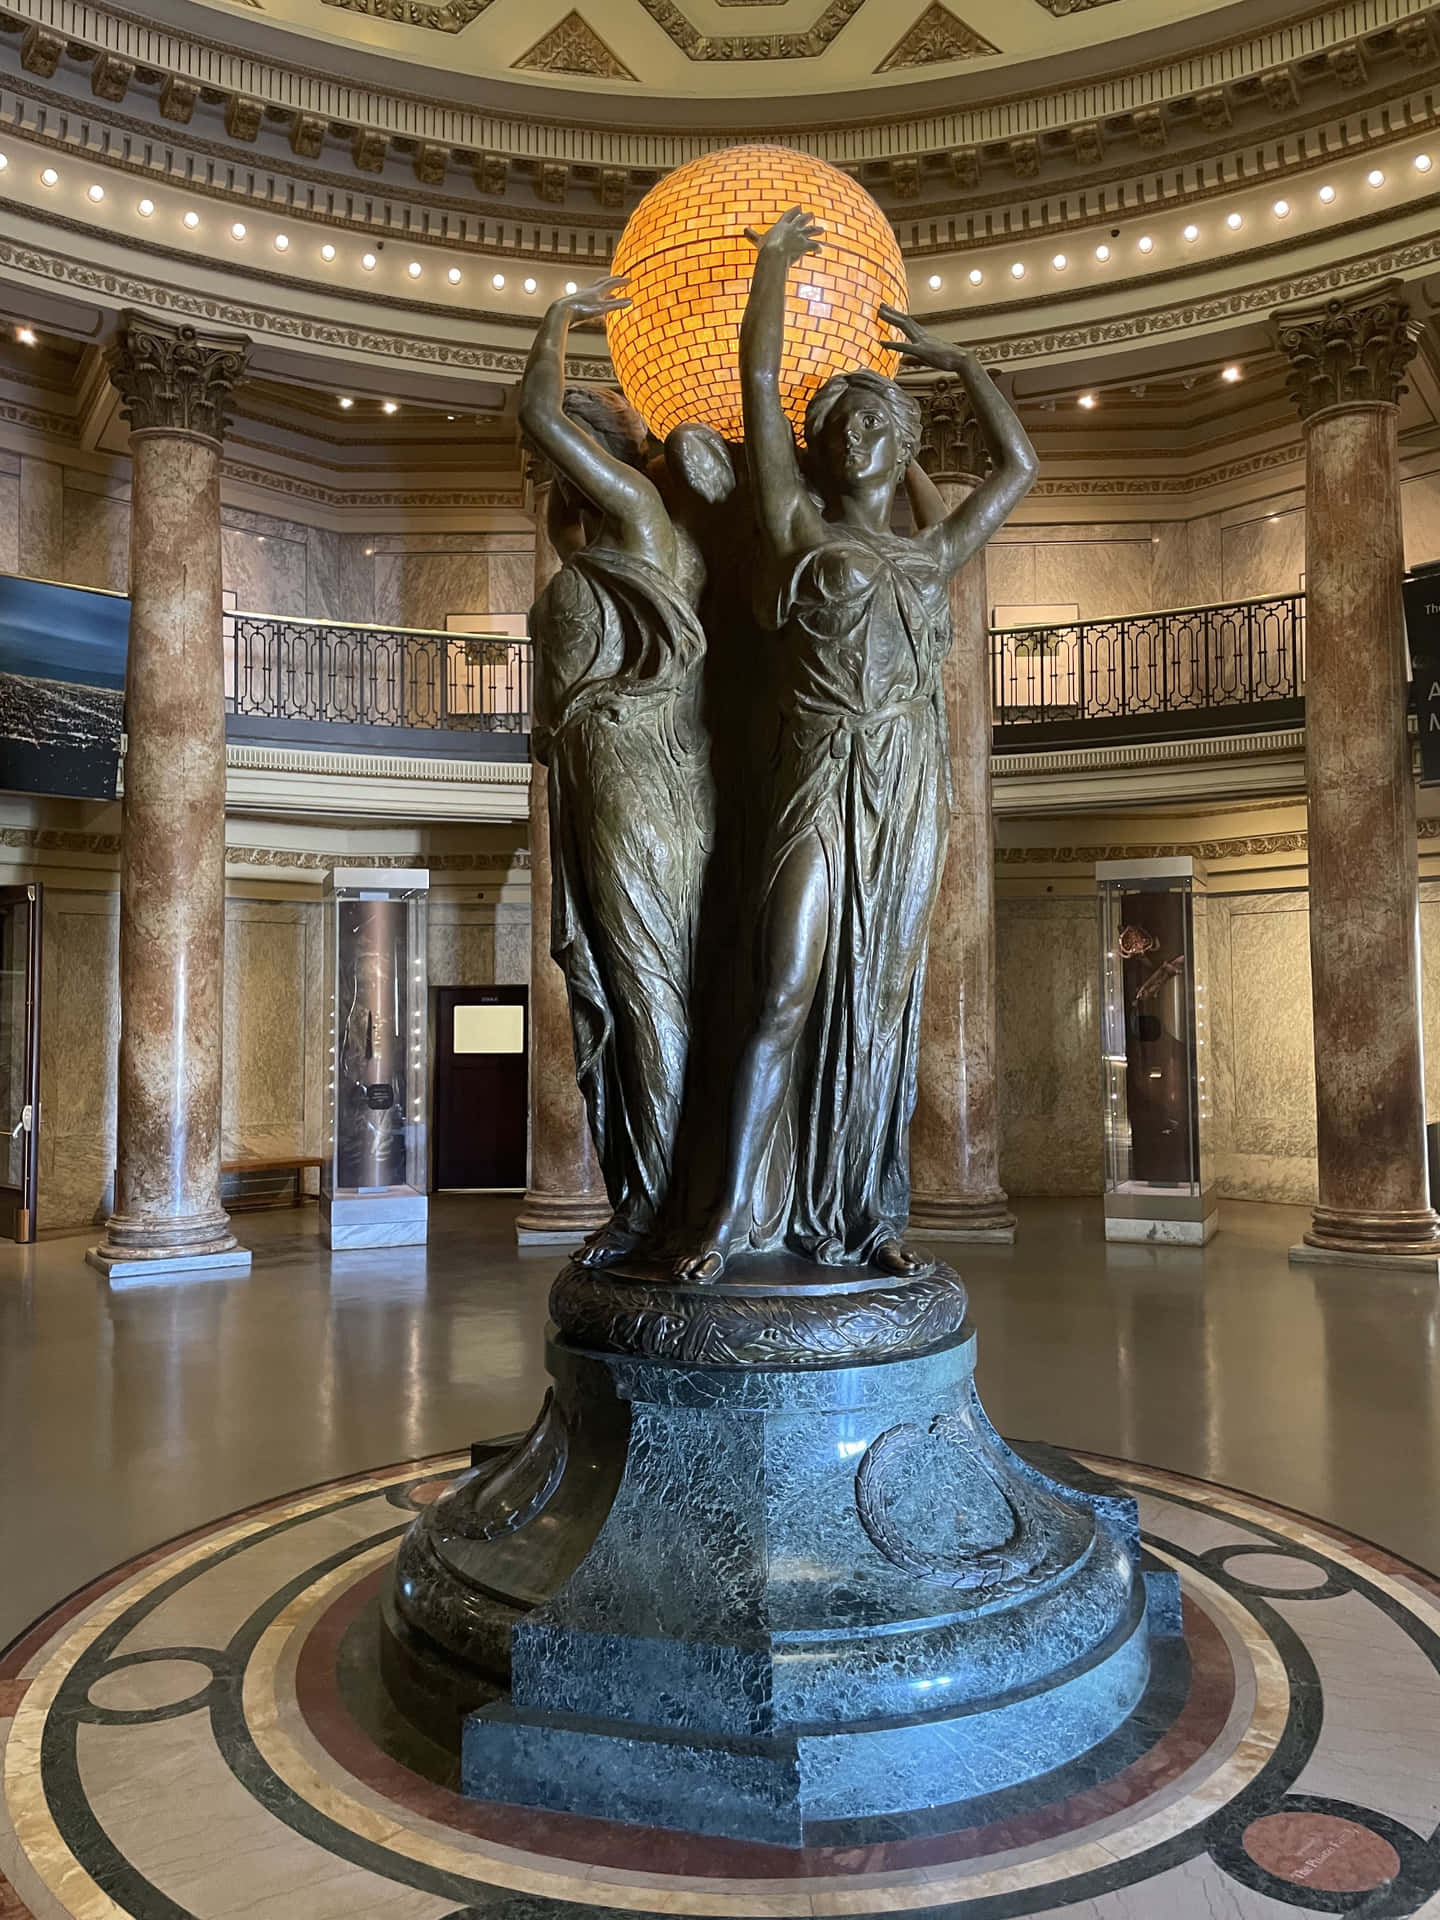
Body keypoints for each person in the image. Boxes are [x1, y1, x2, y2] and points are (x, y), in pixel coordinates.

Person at [675, 207, 1038, 1282]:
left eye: (875, 421)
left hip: (904, 781)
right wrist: (773, 275)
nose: (854, 435)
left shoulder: (932, 553)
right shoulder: (799, 529)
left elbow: (1018, 468)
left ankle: (866, 1211)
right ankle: (726, 1217)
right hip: (816, 770)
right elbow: (757, 395)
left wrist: (962, 363)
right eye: (839, 423)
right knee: (784, 988)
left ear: (906, 440)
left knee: (880, 1000)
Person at [520, 279, 720, 1267]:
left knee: (648, 984)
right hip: (592, 773)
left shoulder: (643, 518)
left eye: (563, 447)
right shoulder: (592, 545)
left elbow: (534, 411)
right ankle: (641, 1188)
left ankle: (670, 1200)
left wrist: (562, 321)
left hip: (642, 772)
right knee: (604, 975)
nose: (545, 464)